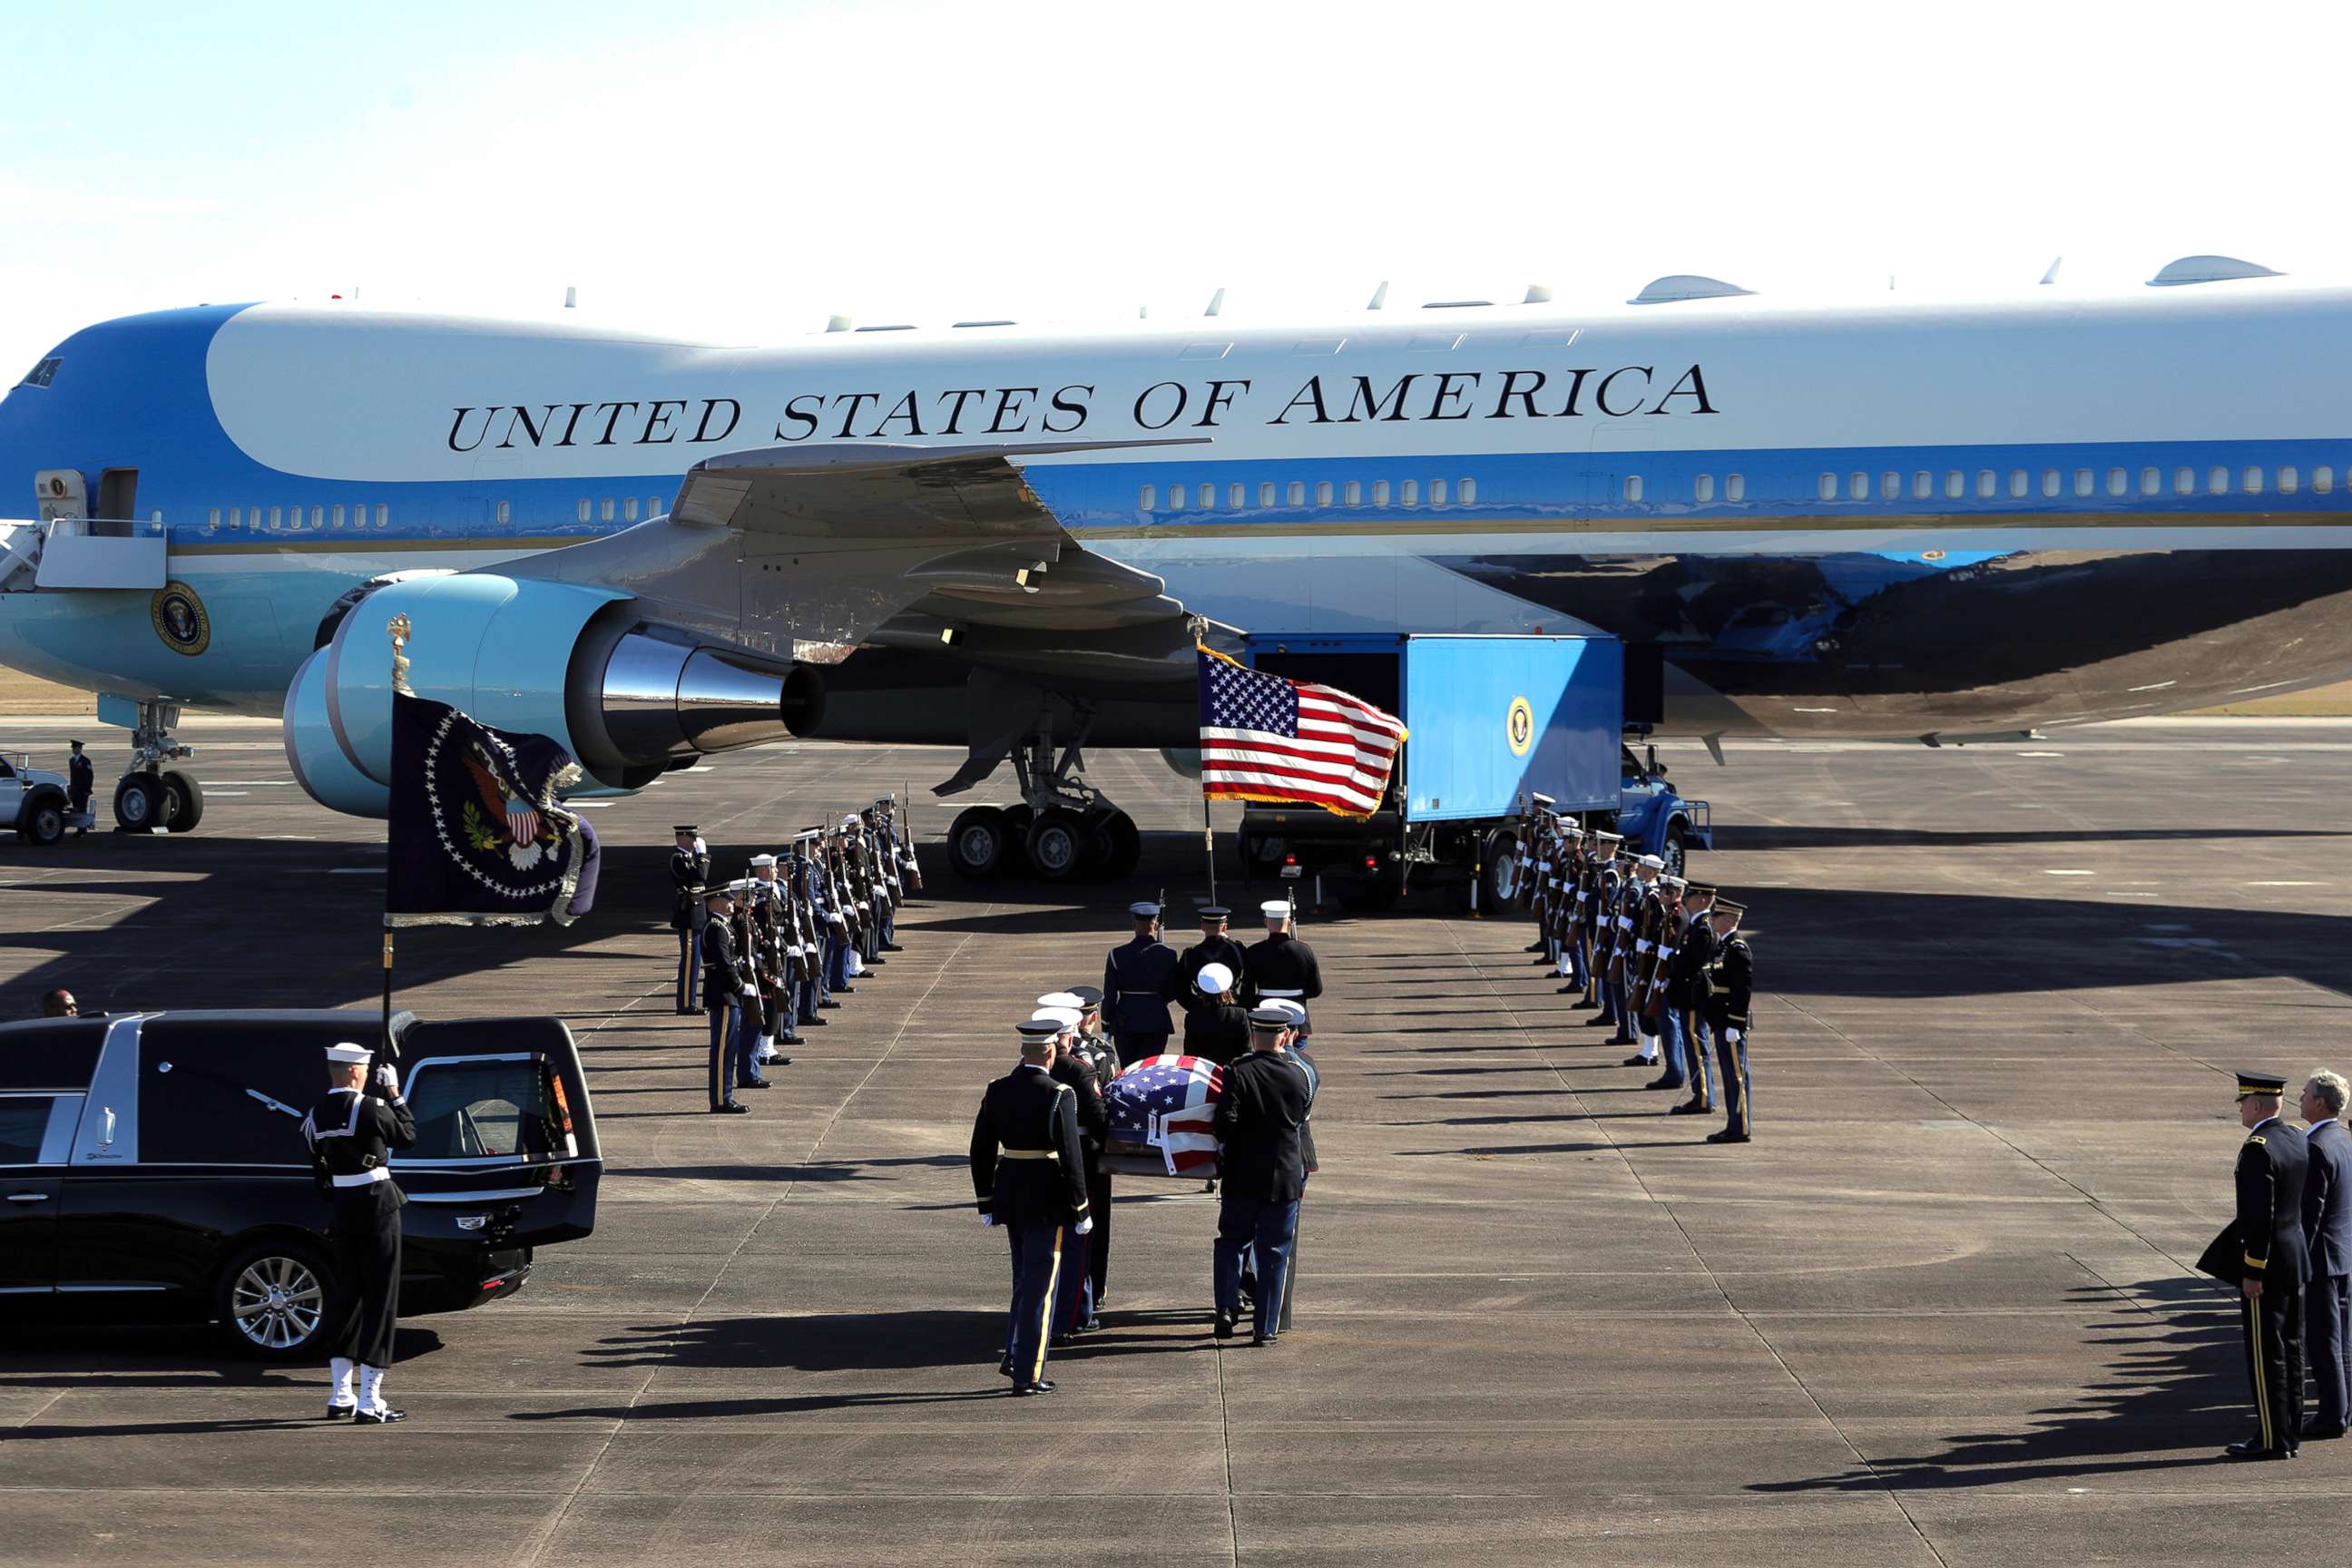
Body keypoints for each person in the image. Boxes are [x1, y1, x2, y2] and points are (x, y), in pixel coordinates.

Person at [970, 1017, 1093, 1395]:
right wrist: (1082, 1208)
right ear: (1050, 1051)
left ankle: (1015, 1351)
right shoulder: (1059, 1094)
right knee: (1040, 1288)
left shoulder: (998, 1089)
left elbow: (981, 1149)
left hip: (1010, 1192)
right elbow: (1071, 1156)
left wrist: (985, 1199)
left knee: (1024, 1280)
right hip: (1045, 1196)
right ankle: (1028, 1372)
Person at [300, 1042, 416, 1424]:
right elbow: (408, 1136)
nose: (366, 1075)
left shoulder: (314, 1115)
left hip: (343, 1210)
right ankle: (370, 1401)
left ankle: (340, 1395)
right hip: (379, 1207)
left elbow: (320, 1176)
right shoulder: (371, 1107)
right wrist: (396, 1094)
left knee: (347, 1298)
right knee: (380, 1299)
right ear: (354, 1071)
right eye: (365, 1070)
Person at [2209, 1070, 2310, 1460]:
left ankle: (2271, 1439)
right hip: (2294, 1259)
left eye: (2241, 1104)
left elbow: (2259, 1217)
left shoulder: (2258, 1147)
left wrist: (2253, 1271)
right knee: (2292, 1349)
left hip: (2267, 1268)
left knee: (2266, 1355)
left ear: (2254, 1104)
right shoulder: (2295, 1137)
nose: (2240, 1111)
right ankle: (2288, 1433)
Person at [1212, 1004, 1317, 1346]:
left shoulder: (1238, 1070)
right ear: (1285, 1036)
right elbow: (1301, 1117)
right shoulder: (1300, 1072)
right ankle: (1266, 1327)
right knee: (1274, 1252)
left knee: (1232, 1241)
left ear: (1253, 1035)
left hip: (1243, 1171)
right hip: (1284, 1172)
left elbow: (1224, 1123)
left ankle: (1227, 1308)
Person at [1037, 1006, 1108, 1342]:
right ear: (1070, 1034)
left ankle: (1044, 1311)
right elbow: (1097, 1117)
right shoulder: (1080, 1070)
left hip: (1041, 1161)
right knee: (1081, 1239)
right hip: (1081, 1160)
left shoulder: (1027, 1071)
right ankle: (1078, 1313)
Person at [2304, 1070, 2352, 1439]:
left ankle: (2332, 1414)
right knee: (2344, 1341)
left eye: (2305, 1094)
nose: (2301, 1099)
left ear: (2320, 1102)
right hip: (2343, 1254)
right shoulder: (2344, 1140)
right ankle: (2345, 1408)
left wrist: (2296, 1259)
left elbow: (2311, 1214)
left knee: (2324, 1341)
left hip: (2321, 1259)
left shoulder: (2318, 1146)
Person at [1663, 884, 1719, 1117]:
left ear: (1703, 901)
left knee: (1697, 1046)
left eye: (1692, 896)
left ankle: (1704, 1097)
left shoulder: (1704, 928)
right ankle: (1700, 1094)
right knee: (1693, 1045)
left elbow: (1694, 965)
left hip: (1695, 995)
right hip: (1689, 994)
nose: (1686, 899)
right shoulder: (1697, 925)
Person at [1102, 900, 1180, 1063]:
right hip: (1156, 1020)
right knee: (1150, 1071)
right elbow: (1173, 990)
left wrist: (1106, 1023)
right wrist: (1155, 1000)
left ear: (1133, 924)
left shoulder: (1116, 954)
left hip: (1125, 1021)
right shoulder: (1169, 955)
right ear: (1156, 924)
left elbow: (1109, 995)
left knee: (1128, 1070)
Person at [700, 886, 752, 1114]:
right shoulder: (716, 928)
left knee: (728, 1048)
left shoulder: (722, 926)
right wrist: (740, 987)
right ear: (715, 902)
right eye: (727, 899)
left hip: (726, 993)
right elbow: (724, 963)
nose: (732, 902)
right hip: (723, 993)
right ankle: (721, 1099)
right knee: (723, 1049)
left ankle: (724, 1096)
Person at [1705, 900, 1753, 1144]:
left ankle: (1741, 1127)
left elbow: (1742, 990)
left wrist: (1736, 1023)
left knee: (1737, 1076)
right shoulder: (1723, 946)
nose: (1712, 919)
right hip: (1722, 1020)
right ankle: (1733, 1124)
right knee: (1728, 1075)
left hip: (1731, 1021)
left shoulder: (1737, 948)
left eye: (1716, 916)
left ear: (1728, 920)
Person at [1241, 898, 1323, 1037]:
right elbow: (1316, 989)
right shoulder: (1305, 950)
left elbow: (1247, 992)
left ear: (1266, 922)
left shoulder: (1254, 951)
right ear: (1289, 922)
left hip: (1263, 1017)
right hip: (1297, 1016)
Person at [666, 826, 710, 1014]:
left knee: (696, 961)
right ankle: (685, 1004)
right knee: (690, 961)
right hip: (689, 914)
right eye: (692, 837)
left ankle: (689, 1001)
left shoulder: (689, 858)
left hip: (697, 913)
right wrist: (704, 855)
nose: (695, 840)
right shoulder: (678, 859)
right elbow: (701, 875)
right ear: (681, 838)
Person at [1182, 962, 1252, 1066]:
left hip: (1203, 1073)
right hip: (1232, 1071)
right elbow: (1246, 1050)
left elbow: (1189, 1054)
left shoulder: (1193, 1016)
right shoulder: (1240, 1015)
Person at [1179, 906, 1250, 999]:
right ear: (1225, 927)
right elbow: (1248, 980)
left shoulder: (1190, 954)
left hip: (1202, 1007)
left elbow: (1181, 989)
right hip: (1232, 1005)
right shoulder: (1237, 950)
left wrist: (1195, 1007)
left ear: (1202, 926)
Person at [66, 740, 93, 837]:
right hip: (75, 790)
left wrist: (87, 789)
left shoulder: (85, 761)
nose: (74, 750)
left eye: (76, 748)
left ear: (80, 749)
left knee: (82, 810)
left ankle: (83, 830)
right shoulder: (72, 760)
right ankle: (79, 829)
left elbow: (89, 776)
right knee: (76, 810)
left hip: (83, 790)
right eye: (73, 748)